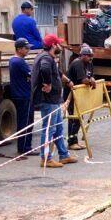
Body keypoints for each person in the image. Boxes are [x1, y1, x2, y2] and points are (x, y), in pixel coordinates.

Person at [31, 35, 77, 168]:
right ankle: (45, 158)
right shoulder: (46, 58)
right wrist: (48, 84)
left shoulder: (48, 57)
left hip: (54, 100)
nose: (60, 46)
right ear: (53, 45)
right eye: (58, 44)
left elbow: (58, 73)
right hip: (48, 100)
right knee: (49, 130)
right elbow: (45, 69)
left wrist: (68, 81)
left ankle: (64, 155)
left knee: (58, 129)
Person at [66, 44, 97, 148]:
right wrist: (91, 81)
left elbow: (91, 76)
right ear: (82, 55)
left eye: (91, 56)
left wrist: (92, 79)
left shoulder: (89, 63)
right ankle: (71, 142)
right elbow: (83, 80)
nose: (90, 58)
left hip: (79, 95)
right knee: (74, 118)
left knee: (79, 118)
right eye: (89, 56)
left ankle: (75, 141)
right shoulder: (77, 63)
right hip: (71, 94)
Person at [8, 39, 33, 158]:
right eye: (26, 48)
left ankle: (23, 147)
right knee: (26, 122)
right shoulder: (19, 62)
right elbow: (31, 75)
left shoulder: (13, 60)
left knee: (23, 121)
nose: (28, 50)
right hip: (24, 95)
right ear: (19, 49)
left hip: (19, 94)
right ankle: (25, 148)